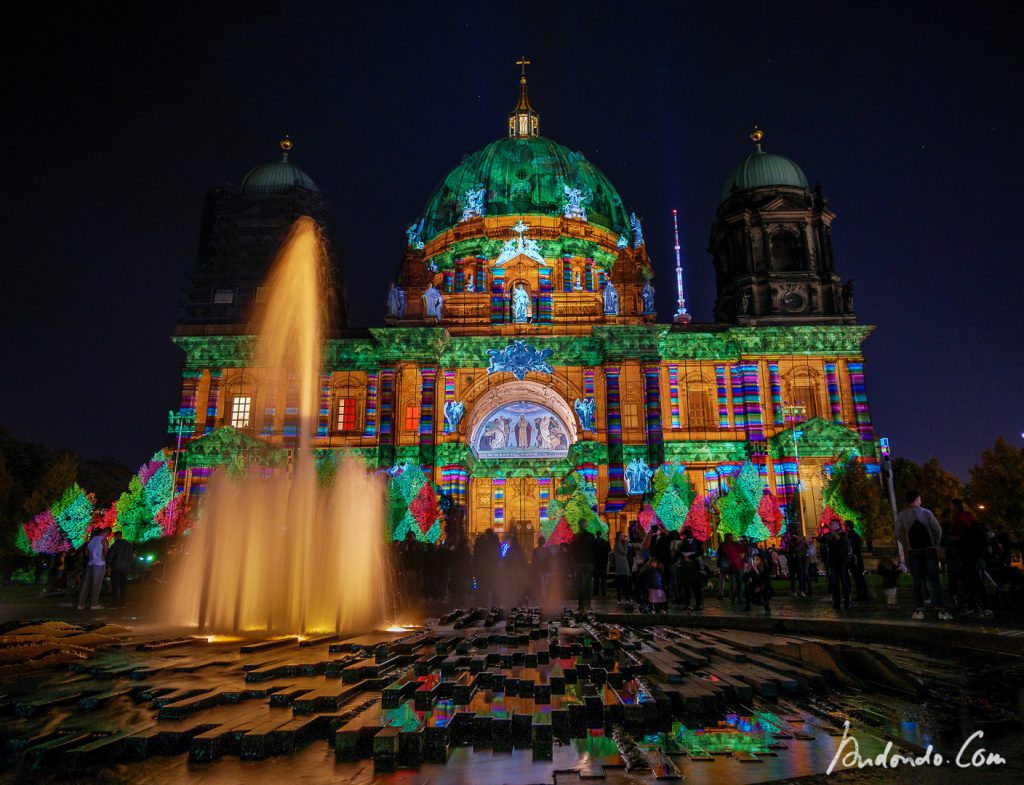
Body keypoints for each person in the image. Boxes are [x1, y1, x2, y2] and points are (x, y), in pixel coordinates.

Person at [895, 490, 952, 620]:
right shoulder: (926, 513)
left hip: (913, 550)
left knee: (917, 580)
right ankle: (941, 610)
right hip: (928, 548)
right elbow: (937, 529)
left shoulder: (902, 515)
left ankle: (919, 610)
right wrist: (935, 543)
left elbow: (898, 532)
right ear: (917, 499)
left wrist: (906, 545)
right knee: (934, 579)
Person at [77, 528, 108, 610]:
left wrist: (91, 557)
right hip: (99, 564)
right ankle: (94, 604)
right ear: (106, 533)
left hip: (90, 563)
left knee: (86, 584)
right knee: (96, 585)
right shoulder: (104, 540)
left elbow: (86, 552)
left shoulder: (92, 539)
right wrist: (103, 558)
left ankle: (81, 604)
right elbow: (105, 551)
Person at [826, 519, 852, 610]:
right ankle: (836, 602)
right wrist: (822, 531)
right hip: (833, 561)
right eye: (830, 524)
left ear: (838, 525)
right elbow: (821, 539)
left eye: (832, 524)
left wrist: (831, 530)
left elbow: (841, 541)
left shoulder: (844, 534)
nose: (831, 526)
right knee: (835, 583)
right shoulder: (830, 536)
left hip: (842, 561)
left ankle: (847, 601)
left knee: (844, 582)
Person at [676, 527, 704, 611]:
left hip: (687, 568)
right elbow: (700, 552)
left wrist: (685, 557)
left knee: (687, 588)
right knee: (696, 588)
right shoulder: (697, 541)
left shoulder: (684, 542)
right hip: (695, 567)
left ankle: (688, 604)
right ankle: (698, 605)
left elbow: (679, 552)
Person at [106, 530, 133, 609]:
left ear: (116, 536)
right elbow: (130, 556)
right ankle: (122, 604)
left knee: (115, 586)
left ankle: (115, 604)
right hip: (125, 568)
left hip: (116, 568)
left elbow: (110, 556)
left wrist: (108, 564)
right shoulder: (128, 545)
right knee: (123, 587)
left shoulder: (116, 545)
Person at [844, 521, 869, 602]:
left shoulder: (851, 535)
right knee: (858, 578)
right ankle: (862, 594)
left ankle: (862, 595)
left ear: (848, 527)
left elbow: (854, 547)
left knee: (858, 578)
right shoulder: (853, 535)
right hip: (856, 559)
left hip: (855, 560)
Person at [573, 527, 596, 611]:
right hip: (588, 563)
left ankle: (581, 604)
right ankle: (588, 604)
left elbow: (573, 549)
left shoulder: (576, 536)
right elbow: (594, 549)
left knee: (580, 585)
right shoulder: (591, 536)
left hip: (579, 563)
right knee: (588, 585)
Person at [718, 533, 745, 603]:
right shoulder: (724, 546)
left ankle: (739, 598)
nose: (732, 539)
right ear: (726, 538)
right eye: (730, 537)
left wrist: (742, 543)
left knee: (739, 582)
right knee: (732, 583)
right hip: (731, 567)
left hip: (738, 566)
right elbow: (726, 553)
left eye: (732, 537)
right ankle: (733, 597)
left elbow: (742, 550)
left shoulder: (735, 544)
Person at [613, 531, 632, 602]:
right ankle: (623, 598)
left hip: (622, 565)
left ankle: (622, 598)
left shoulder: (619, 543)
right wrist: (626, 544)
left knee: (622, 583)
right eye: (622, 535)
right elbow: (624, 552)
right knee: (623, 582)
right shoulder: (618, 544)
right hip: (622, 566)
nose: (624, 536)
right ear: (619, 536)